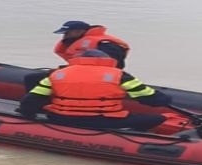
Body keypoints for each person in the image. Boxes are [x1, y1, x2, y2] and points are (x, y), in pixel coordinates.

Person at [17, 50, 171, 132]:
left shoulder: (57, 74)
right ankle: (128, 135)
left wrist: (29, 115)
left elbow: (31, 99)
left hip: (60, 118)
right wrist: (166, 100)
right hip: (101, 119)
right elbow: (149, 97)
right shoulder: (119, 75)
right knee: (156, 119)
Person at [22, 20, 132, 93]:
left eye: (67, 33)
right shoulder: (77, 41)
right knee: (33, 77)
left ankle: (35, 107)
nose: (64, 36)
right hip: (79, 71)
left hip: (98, 76)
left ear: (79, 31)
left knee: (32, 79)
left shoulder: (105, 45)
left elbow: (114, 65)